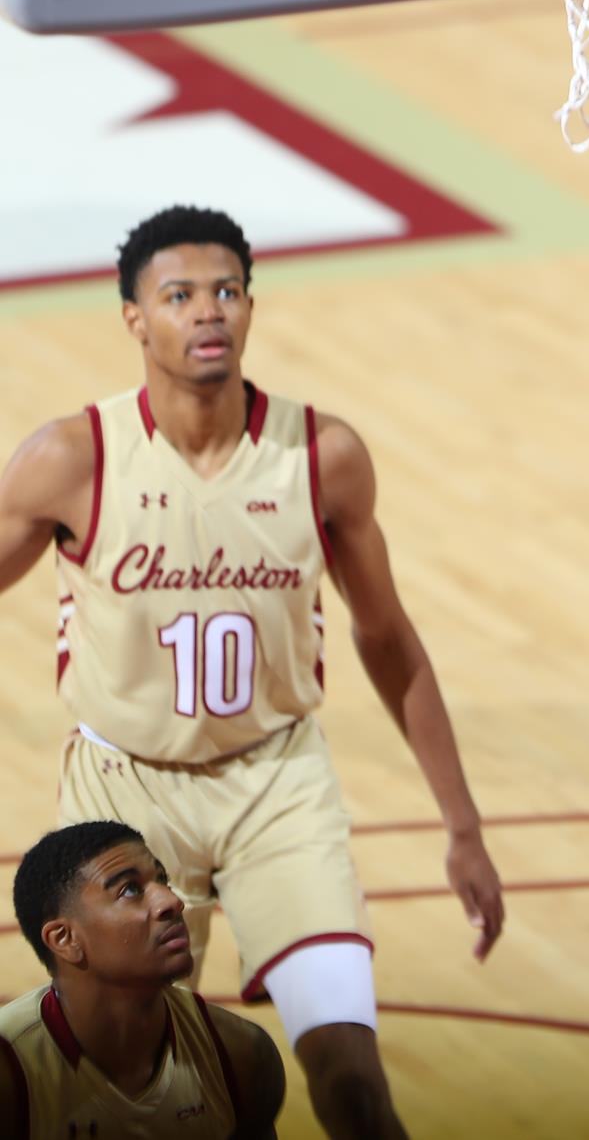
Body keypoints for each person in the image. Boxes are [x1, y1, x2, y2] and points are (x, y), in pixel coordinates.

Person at [0, 206, 507, 1139]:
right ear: (134, 318)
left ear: (250, 307)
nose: (209, 312)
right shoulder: (76, 458)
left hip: (278, 783)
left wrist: (464, 824)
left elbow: (388, 638)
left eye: (228, 291)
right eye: (180, 294)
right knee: (110, 1094)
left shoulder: (322, 456)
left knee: (355, 1087)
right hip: (123, 794)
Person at [1, 820, 287, 1138]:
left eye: (163, 880)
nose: (172, 901)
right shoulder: (10, 1075)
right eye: (131, 890)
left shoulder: (241, 1053)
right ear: (65, 939)